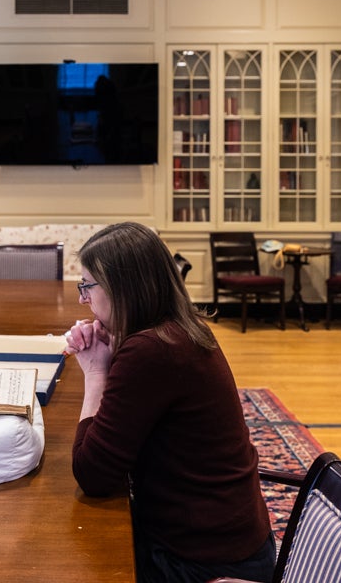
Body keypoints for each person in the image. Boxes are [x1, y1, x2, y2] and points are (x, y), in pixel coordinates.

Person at [64, 222, 275, 583]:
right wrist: (113, 351)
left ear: (121, 287)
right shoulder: (178, 331)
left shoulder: (150, 351)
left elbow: (92, 475)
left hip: (204, 563)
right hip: (232, 540)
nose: (83, 299)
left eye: (87, 286)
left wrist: (97, 372)